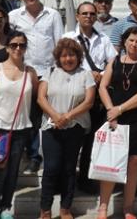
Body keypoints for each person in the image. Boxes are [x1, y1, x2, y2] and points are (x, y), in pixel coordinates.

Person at [97, 27, 137, 219]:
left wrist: (120, 109)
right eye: (131, 40)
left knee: (134, 161)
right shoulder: (114, 61)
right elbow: (103, 86)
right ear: (124, 41)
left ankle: (128, 207)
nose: (134, 44)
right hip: (114, 117)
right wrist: (111, 110)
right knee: (110, 161)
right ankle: (103, 208)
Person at [36, 38, 96, 219]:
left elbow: (89, 101)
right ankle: (45, 210)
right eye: (64, 56)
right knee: (51, 168)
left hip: (75, 127)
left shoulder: (85, 74)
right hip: (51, 126)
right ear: (58, 58)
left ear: (78, 56)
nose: (68, 59)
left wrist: (68, 116)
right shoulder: (50, 72)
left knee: (69, 168)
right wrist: (55, 116)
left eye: (71, 55)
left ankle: (65, 209)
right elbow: (41, 98)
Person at [9, 0, 64, 174]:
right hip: (24, 72)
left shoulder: (53, 15)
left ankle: (48, 155)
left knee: (48, 115)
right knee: (28, 115)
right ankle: (31, 156)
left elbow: (59, 43)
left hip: (48, 73)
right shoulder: (14, 16)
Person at [0, 31, 39, 219]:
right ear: (7, 47)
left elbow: (37, 97)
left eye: (22, 45)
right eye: (14, 45)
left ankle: (6, 207)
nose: (17, 48)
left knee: (13, 171)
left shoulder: (30, 72)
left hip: (21, 128)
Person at [67, 2, 118, 194]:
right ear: (77, 16)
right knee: (72, 139)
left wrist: (102, 74)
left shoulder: (103, 39)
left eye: (91, 14)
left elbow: (113, 62)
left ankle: (85, 179)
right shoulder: (68, 38)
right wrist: (87, 75)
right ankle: (66, 180)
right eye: (84, 13)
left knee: (91, 139)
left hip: (96, 95)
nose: (88, 17)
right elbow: (62, 63)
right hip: (74, 93)